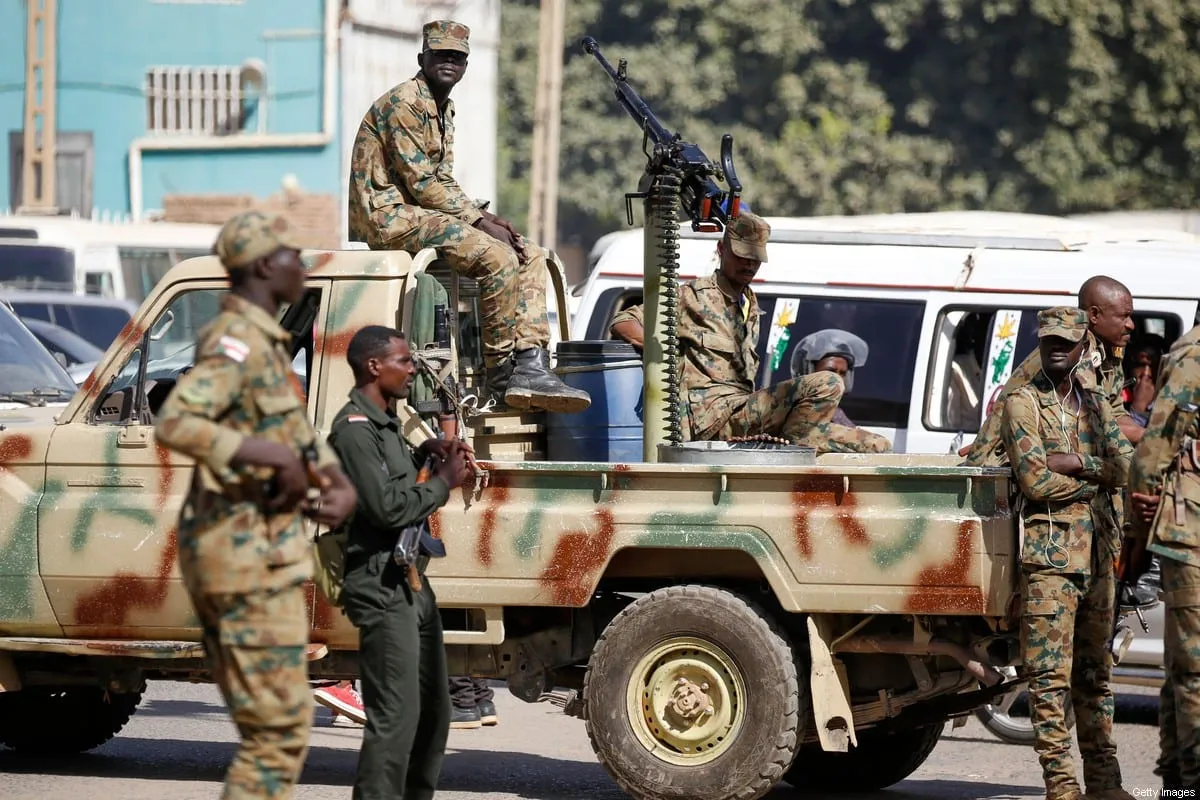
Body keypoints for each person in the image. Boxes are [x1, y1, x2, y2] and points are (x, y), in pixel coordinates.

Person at [154, 210, 358, 798]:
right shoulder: (237, 342)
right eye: (292, 253)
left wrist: (330, 478)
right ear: (267, 265)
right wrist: (270, 457)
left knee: (285, 726)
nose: (301, 262)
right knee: (276, 731)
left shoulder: (269, 349)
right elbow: (178, 420)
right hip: (236, 557)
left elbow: (295, 434)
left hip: (265, 557)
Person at [347, 20, 588, 415]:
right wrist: (478, 222)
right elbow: (422, 182)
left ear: (465, 65)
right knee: (495, 257)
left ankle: (530, 361)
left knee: (529, 252)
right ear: (422, 58)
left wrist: (482, 216)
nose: (449, 63)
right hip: (390, 218)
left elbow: (441, 177)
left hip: (420, 213)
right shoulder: (405, 102)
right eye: (441, 55)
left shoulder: (442, 107)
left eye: (457, 58)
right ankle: (500, 374)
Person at [327, 324, 474, 800]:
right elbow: (386, 507)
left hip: (410, 582)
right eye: (404, 361)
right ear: (375, 366)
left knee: (433, 711)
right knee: (395, 717)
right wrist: (443, 482)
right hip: (379, 583)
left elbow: (397, 482)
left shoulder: (389, 425)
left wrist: (427, 454)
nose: (413, 369)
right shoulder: (353, 431)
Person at [609, 211, 890, 454]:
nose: (749, 265)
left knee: (878, 445)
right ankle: (799, 440)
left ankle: (801, 440)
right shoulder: (694, 296)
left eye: (755, 259)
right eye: (742, 256)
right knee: (828, 383)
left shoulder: (750, 304)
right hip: (713, 418)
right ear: (722, 250)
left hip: (744, 413)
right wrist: (660, 354)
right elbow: (624, 320)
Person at [1000, 306, 1134, 800]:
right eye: (1048, 341)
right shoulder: (1021, 402)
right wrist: (1091, 486)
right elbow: (1035, 482)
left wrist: (1079, 462)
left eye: (1066, 342)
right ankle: (1062, 786)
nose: (1056, 348)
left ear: (1083, 345)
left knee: (1096, 679)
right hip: (1050, 563)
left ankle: (1106, 783)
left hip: (1099, 562)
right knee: (1049, 683)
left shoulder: (1095, 401)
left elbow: (1127, 467)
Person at [1125, 321, 1200, 794]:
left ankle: (1176, 779)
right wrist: (1138, 530)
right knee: (1194, 668)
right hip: (1191, 529)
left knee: (1183, 667)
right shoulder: (1194, 354)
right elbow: (1154, 449)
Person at [962, 275, 1138, 467]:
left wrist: (1148, 435)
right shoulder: (1077, 351)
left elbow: (1115, 412)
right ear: (1094, 315)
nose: (1131, 325)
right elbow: (1096, 418)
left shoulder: (1109, 352)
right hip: (1012, 462)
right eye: (1123, 316)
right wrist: (1155, 438)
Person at [790, 328, 870, 428]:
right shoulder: (785, 411)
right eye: (830, 371)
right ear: (809, 372)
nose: (838, 379)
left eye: (842, 373)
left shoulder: (838, 416)